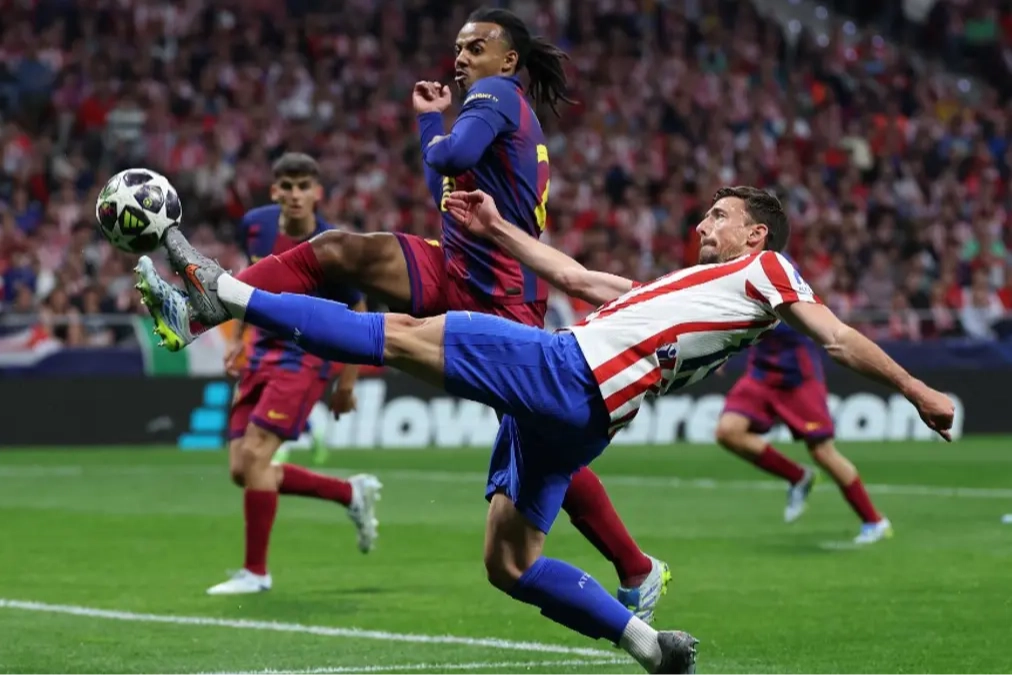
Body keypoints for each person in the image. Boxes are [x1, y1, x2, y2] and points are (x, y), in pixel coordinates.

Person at [134, 185, 955, 674]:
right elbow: (572, 273)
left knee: (402, 334)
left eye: (720, 214)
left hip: (569, 371)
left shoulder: (767, 272)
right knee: (509, 562)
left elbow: (836, 336)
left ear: (757, 234)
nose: (704, 223)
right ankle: (649, 646)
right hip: (584, 421)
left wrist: (917, 389)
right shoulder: (689, 291)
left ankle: (221, 292)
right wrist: (497, 229)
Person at [143, 7, 669, 621]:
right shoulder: (487, 109)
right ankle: (205, 307)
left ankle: (636, 566)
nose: (462, 57)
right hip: (456, 266)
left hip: (502, 292)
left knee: (538, 437)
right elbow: (441, 184)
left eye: (476, 47)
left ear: (509, 61)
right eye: (459, 47)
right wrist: (430, 121)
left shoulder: (498, 95)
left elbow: (452, 155)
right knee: (340, 250)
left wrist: (436, 129)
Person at [205, 152, 381, 596]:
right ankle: (349, 493)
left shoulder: (333, 246)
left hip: (305, 357)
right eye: (288, 186)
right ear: (275, 191)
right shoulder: (255, 226)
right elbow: (247, 286)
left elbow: (359, 313)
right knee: (242, 469)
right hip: (260, 352)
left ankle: (256, 573)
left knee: (256, 458)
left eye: (304, 186)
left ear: (317, 193)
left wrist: (347, 382)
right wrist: (239, 339)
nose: (296, 194)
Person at [715, 262, 892, 544]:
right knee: (728, 431)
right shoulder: (738, 270)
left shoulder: (776, 267)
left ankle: (875, 521)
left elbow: (793, 318)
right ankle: (798, 477)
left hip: (797, 374)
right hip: (761, 372)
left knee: (822, 451)